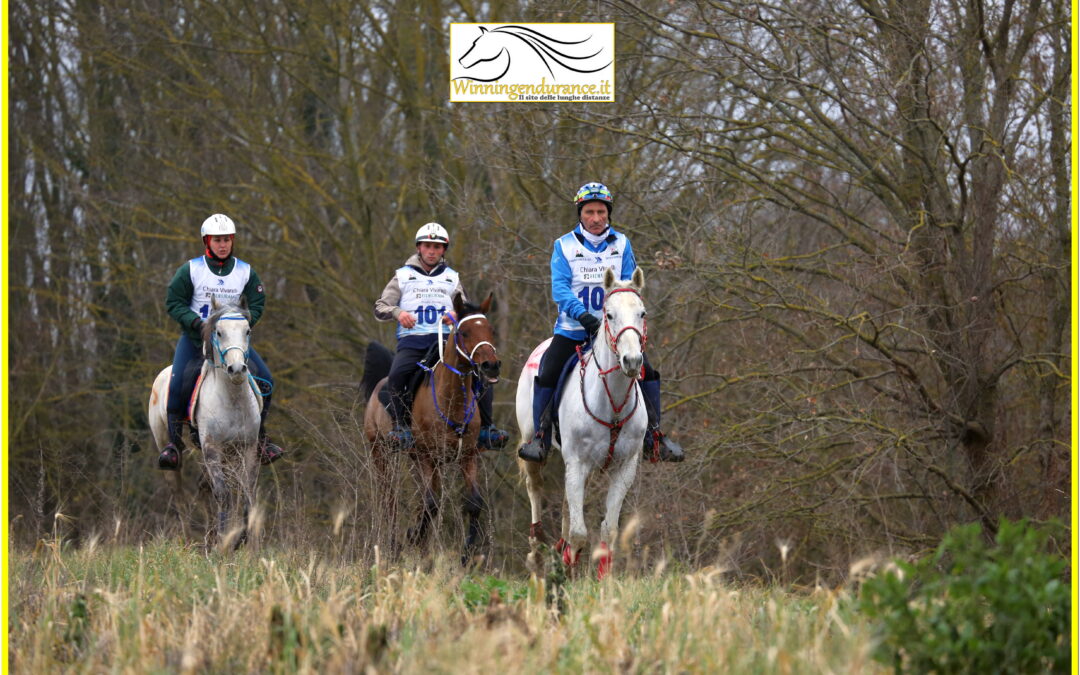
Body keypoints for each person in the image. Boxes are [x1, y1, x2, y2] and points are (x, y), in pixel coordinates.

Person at [518, 182, 684, 464]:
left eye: (601, 212)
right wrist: (582, 315)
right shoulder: (564, 245)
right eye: (589, 212)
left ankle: (654, 437)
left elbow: (630, 285)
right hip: (573, 330)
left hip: (613, 333)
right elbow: (560, 288)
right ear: (580, 214)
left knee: (649, 372)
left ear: (609, 214)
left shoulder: (622, 244)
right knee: (547, 372)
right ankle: (540, 438)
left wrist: (624, 319)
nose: (596, 218)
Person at [158, 213, 284, 470]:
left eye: (227, 239)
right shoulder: (191, 270)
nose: (223, 244)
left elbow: (258, 303)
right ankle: (173, 446)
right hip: (196, 341)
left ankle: (261, 440)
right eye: (217, 240)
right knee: (177, 385)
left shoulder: (245, 271)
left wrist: (243, 325)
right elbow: (174, 303)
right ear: (207, 241)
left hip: (232, 343)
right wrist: (196, 323)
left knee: (267, 380)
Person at [374, 222, 508, 451]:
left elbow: (467, 310)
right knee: (397, 375)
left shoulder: (451, 277)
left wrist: (457, 313)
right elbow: (380, 307)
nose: (432, 251)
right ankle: (401, 428)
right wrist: (398, 313)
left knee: (482, 374)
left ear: (444, 250)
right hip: (413, 342)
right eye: (427, 246)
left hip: (447, 344)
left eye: (437, 247)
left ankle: (487, 428)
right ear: (419, 248)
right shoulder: (402, 276)